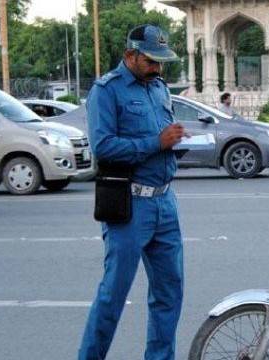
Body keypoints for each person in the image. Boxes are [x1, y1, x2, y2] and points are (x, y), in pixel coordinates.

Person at [79, 24, 186, 360]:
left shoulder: (158, 89)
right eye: (152, 61)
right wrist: (157, 142)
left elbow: (160, 139)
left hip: (165, 202)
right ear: (130, 55)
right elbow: (104, 147)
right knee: (113, 295)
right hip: (130, 206)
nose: (158, 68)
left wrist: (172, 142)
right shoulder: (106, 90)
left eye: (162, 62)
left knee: (169, 293)